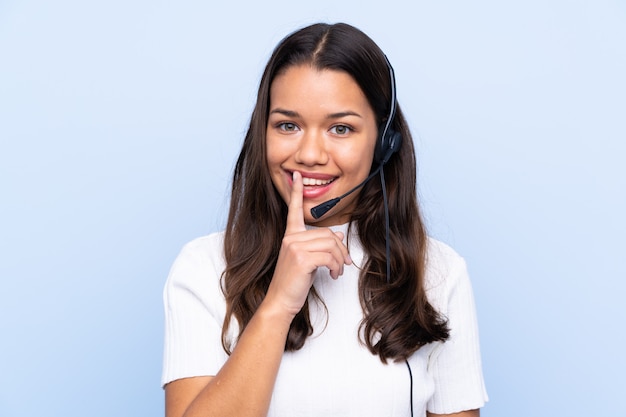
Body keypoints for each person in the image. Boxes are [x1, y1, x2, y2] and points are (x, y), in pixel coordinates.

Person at [161, 22, 488, 417]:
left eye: (340, 128)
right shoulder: (203, 268)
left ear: (384, 143)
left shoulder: (437, 272)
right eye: (288, 125)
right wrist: (278, 304)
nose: (310, 154)